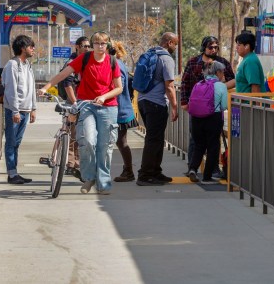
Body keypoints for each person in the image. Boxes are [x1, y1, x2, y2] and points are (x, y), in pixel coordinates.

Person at [39, 31, 122, 195]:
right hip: (86, 105)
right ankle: (89, 177)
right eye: (97, 43)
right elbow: (63, 74)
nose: (100, 46)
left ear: (107, 46)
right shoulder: (84, 59)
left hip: (108, 106)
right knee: (88, 141)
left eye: (103, 44)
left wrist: (104, 97)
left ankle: (103, 183)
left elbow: (119, 88)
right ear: (92, 45)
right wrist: (45, 87)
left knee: (105, 146)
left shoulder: (112, 62)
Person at [181, 35, 235, 174]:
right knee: (196, 139)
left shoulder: (222, 63)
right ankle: (192, 168)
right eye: (210, 47)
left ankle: (213, 169)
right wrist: (184, 103)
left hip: (214, 109)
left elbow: (233, 80)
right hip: (197, 108)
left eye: (216, 47)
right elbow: (185, 83)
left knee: (213, 141)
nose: (214, 50)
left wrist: (221, 86)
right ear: (204, 47)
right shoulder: (193, 62)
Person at [136, 32, 179, 186]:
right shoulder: (166, 58)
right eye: (175, 43)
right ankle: (145, 175)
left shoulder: (150, 53)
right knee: (153, 139)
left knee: (157, 138)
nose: (176, 47)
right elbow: (170, 85)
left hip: (143, 100)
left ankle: (155, 171)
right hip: (156, 103)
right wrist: (175, 107)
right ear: (168, 42)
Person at [2, 34, 37, 184]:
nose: (33, 49)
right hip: (14, 111)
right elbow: (11, 90)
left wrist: (33, 108)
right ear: (23, 48)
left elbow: (32, 88)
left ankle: (14, 173)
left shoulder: (28, 65)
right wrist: (15, 111)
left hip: (26, 111)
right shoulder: (12, 65)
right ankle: (11, 174)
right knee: (10, 142)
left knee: (16, 142)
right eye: (31, 46)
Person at [187, 61, 228, 184]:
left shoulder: (198, 84)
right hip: (213, 118)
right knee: (212, 147)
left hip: (196, 119)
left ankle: (193, 168)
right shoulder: (221, 86)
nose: (223, 75)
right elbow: (224, 106)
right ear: (218, 72)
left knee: (199, 145)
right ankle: (207, 176)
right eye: (222, 72)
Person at [61, 36, 90, 180]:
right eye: (84, 46)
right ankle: (70, 164)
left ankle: (76, 162)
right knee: (73, 134)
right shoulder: (72, 63)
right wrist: (74, 103)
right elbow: (67, 84)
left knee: (79, 134)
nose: (87, 48)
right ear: (77, 47)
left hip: (82, 103)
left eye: (88, 46)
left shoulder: (84, 62)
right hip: (73, 104)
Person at [110, 41, 138, 182]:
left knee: (121, 142)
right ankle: (128, 170)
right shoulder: (119, 63)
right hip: (121, 108)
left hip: (119, 110)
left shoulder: (116, 65)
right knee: (121, 142)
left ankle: (128, 171)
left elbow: (117, 88)